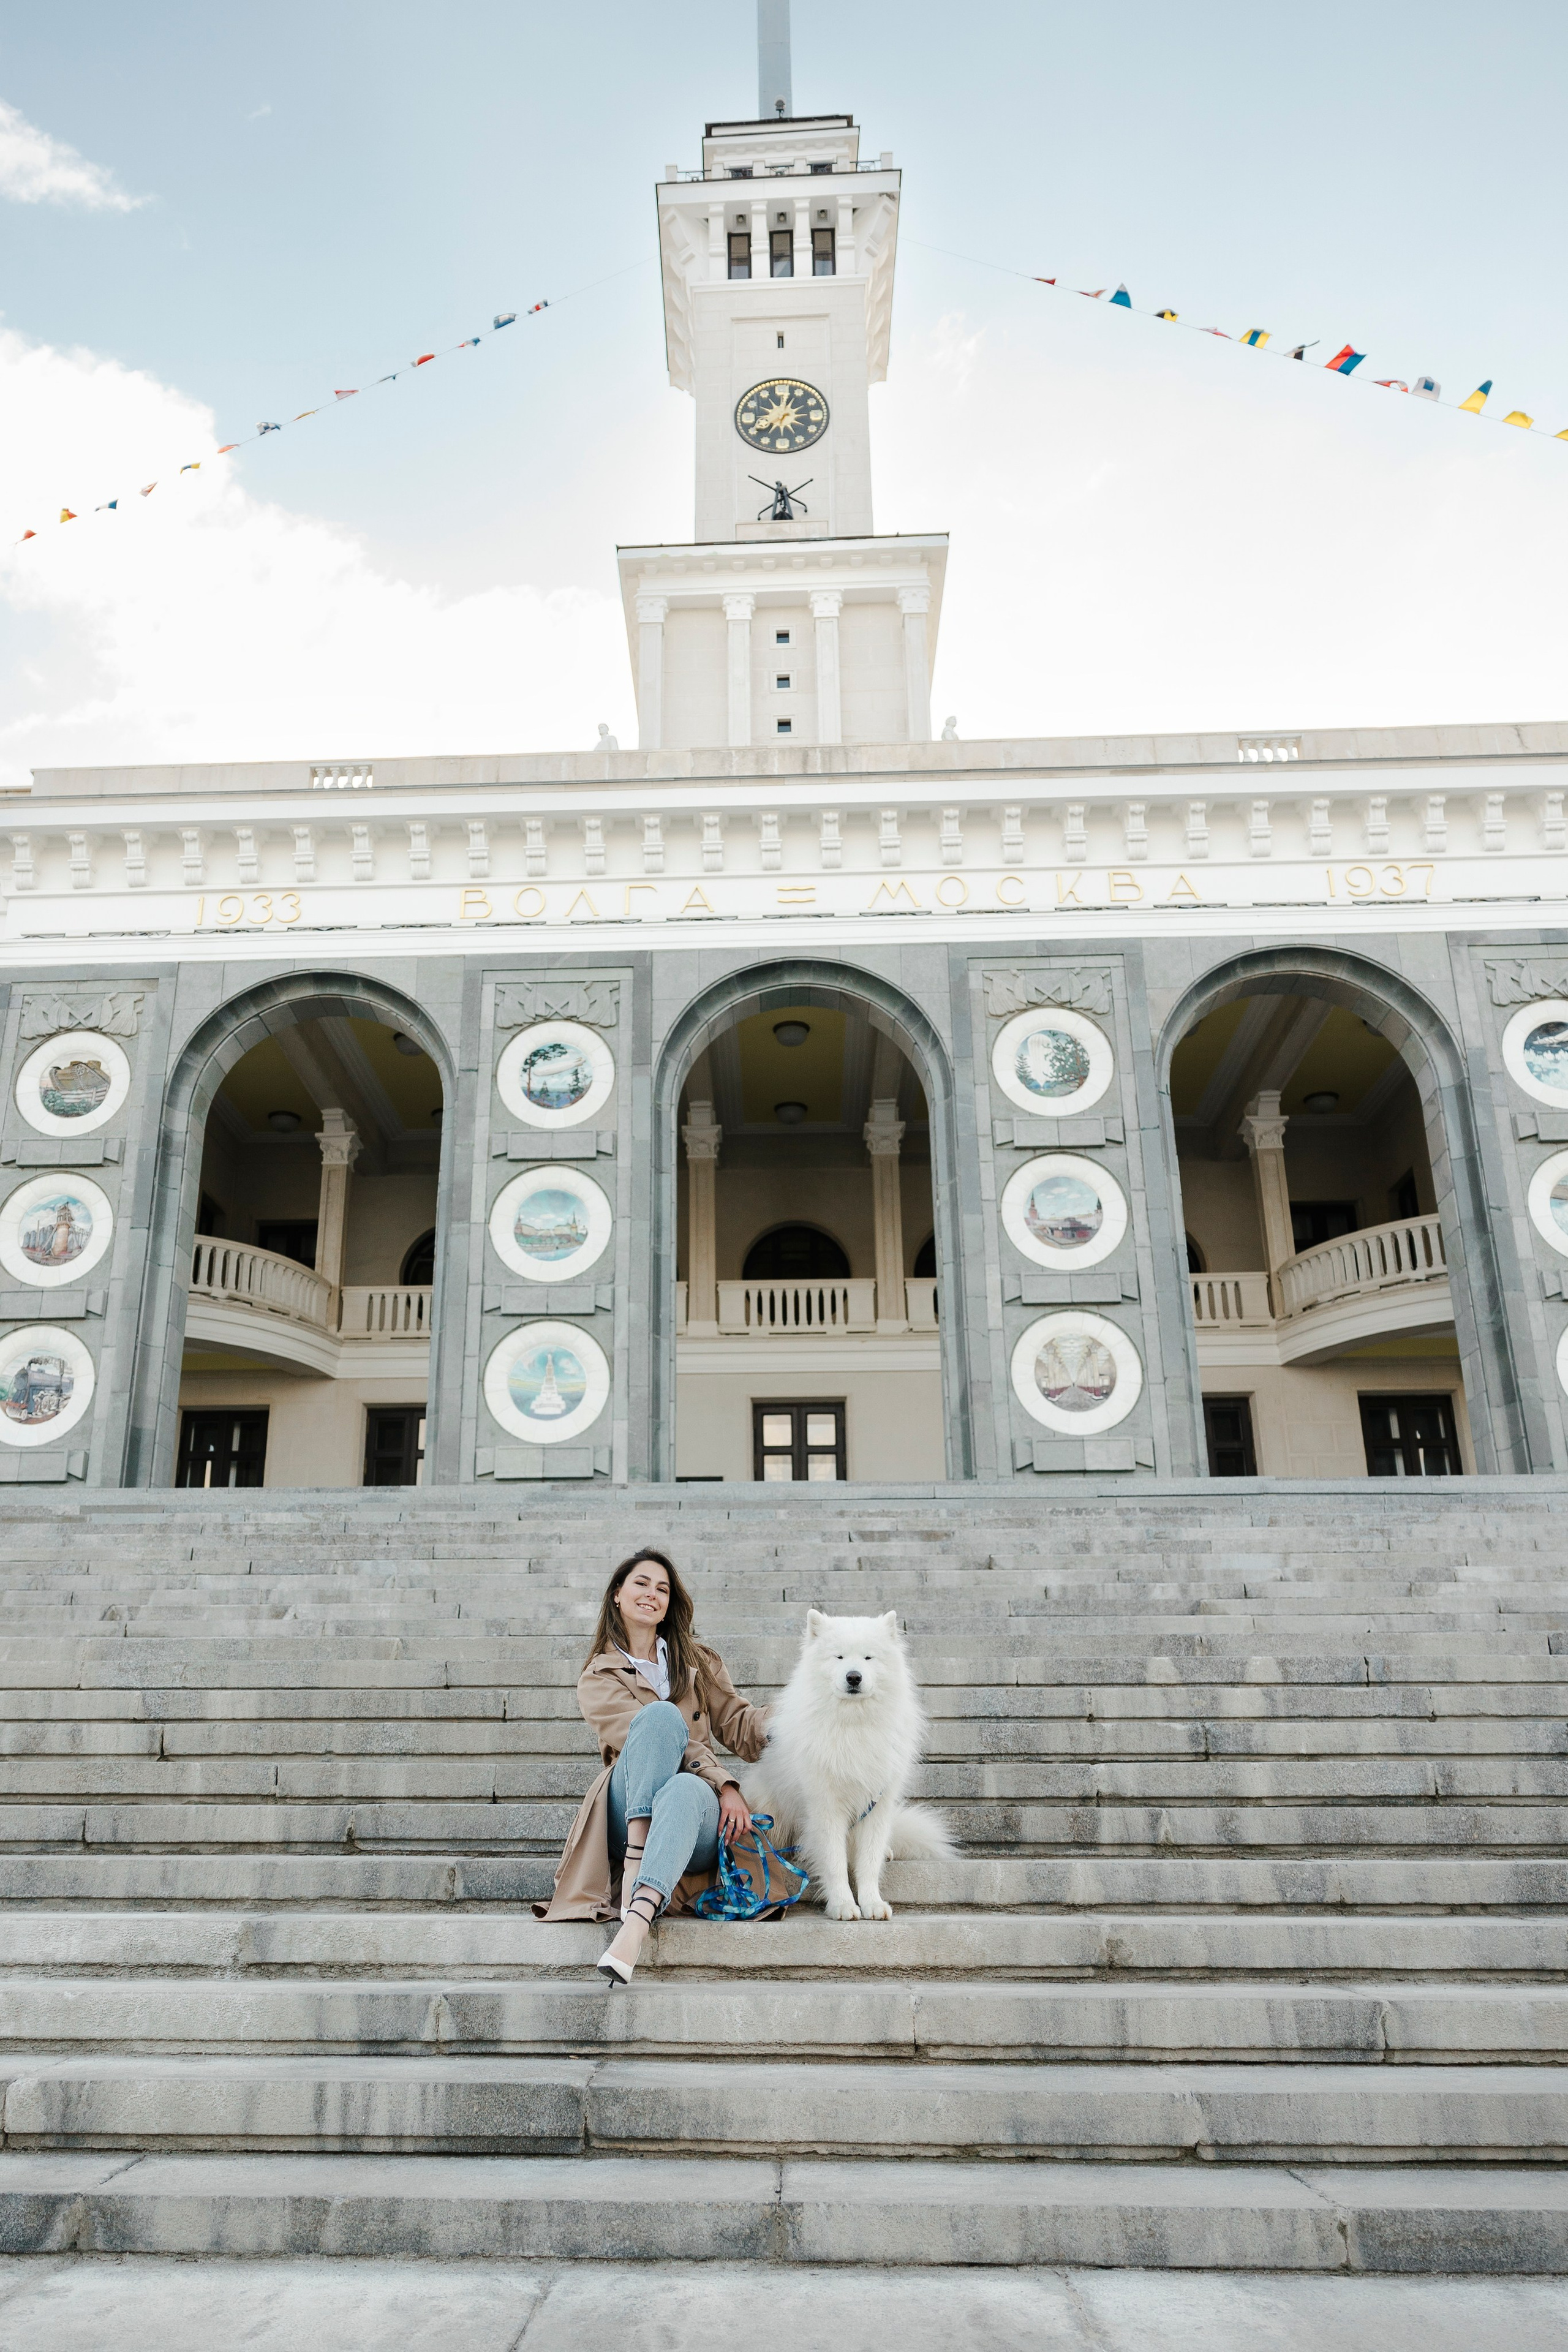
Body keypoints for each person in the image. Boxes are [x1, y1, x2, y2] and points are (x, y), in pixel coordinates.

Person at [535, 1547, 770, 1984]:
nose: (652, 1593)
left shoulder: (699, 1664)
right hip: (629, 1809)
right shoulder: (599, 1675)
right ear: (617, 1597)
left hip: (693, 1811)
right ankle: (637, 1870)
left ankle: (633, 1925)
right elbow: (656, 1742)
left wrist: (801, 1709)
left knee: (682, 1790)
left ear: (669, 1605)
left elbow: (740, 1726)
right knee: (661, 1720)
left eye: (662, 1588)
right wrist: (724, 1783)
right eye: (641, 1583)